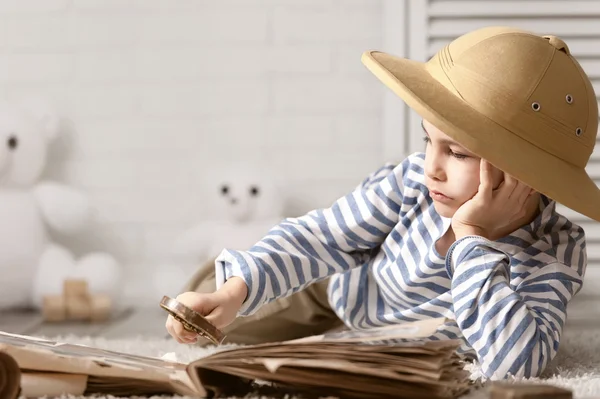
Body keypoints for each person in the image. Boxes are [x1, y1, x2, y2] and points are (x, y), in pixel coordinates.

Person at [165, 26, 600, 380]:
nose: (433, 167)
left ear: (528, 174)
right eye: (429, 141)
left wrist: (472, 237)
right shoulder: (413, 180)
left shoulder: (556, 250)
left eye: (459, 153)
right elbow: (322, 238)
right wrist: (234, 290)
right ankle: (234, 266)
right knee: (209, 302)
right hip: (340, 291)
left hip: (395, 347)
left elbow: (517, 366)